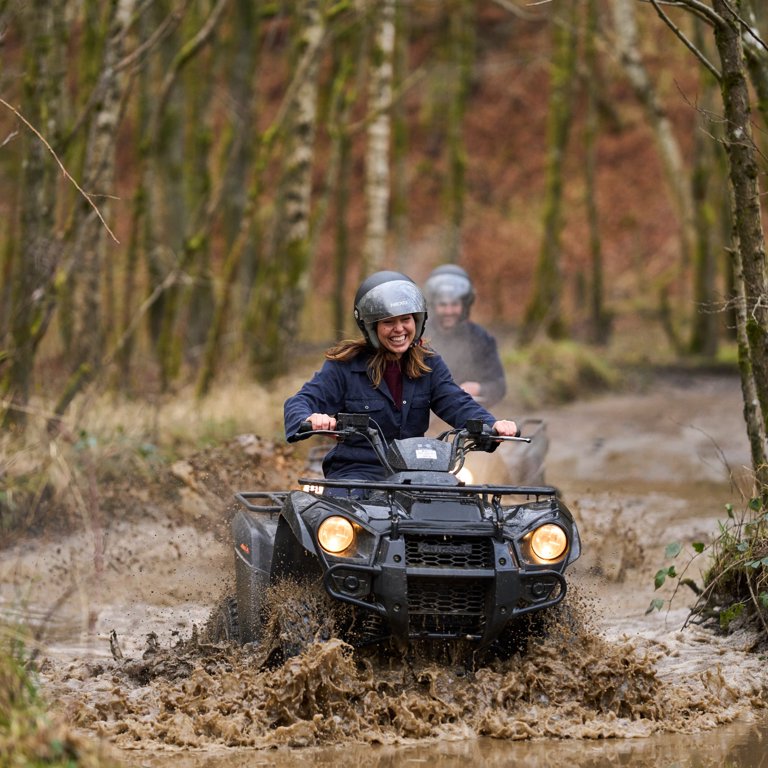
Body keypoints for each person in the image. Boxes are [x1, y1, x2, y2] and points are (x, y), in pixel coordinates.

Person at [284, 270, 519, 482]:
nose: (399, 329)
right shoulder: (344, 367)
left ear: (417, 321)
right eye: (388, 322)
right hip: (357, 475)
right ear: (371, 327)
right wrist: (313, 418)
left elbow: (457, 402)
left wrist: (492, 425)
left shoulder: (429, 364)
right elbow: (300, 402)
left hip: (415, 473)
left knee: (461, 512)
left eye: (406, 319)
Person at [423, 264, 507, 408]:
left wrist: (478, 388)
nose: (448, 311)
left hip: (468, 416)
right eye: (443, 304)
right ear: (433, 305)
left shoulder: (481, 339)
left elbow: (499, 385)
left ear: (465, 305)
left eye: (454, 304)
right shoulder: (420, 335)